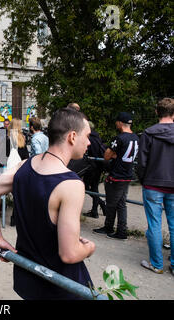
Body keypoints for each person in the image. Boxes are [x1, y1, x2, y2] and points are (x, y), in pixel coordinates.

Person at [0, 108, 95, 300]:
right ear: (73, 137)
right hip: (60, 286)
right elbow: (69, 254)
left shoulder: (25, 165)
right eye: (88, 136)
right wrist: (89, 247)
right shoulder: (71, 184)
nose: (90, 142)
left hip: (28, 277)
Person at [136, 98, 174, 275]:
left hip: (152, 184)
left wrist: (144, 180)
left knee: (154, 224)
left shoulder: (148, 133)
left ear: (157, 112)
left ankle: (157, 265)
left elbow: (141, 162)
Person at [93, 112, 139, 240]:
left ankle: (109, 227)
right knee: (122, 204)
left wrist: (114, 155)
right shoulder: (135, 137)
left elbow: (106, 156)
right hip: (127, 174)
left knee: (112, 203)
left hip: (117, 175)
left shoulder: (119, 138)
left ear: (120, 123)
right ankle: (121, 231)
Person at [83, 121, 107, 218]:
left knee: (86, 188)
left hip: (92, 167)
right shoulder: (97, 137)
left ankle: (100, 204)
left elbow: (90, 152)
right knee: (94, 188)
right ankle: (95, 210)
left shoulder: (90, 138)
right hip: (99, 166)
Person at [8, 119, 29, 226]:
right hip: (21, 169)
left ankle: (12, 218)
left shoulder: (8, 138)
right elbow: (26, 156)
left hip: (12, 169)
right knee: (19, 195)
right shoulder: (22, 138)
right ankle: (17, 218)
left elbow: (3, 155)